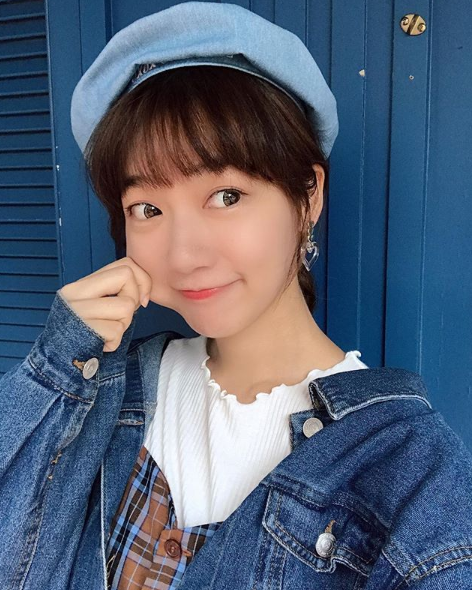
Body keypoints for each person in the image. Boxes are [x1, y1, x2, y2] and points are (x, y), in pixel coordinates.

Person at [1, 2, 471, 589]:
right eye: (147, 208)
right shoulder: (101, 392)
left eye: (226, 196)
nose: (184, 255)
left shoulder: (411, 472)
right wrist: (55, 367)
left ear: (308, 196)